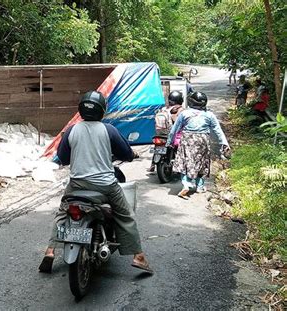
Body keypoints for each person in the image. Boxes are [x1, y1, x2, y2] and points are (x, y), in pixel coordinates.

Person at [38, 91, 153, 274]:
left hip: (77, 184)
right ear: (102, 110)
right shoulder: (109, 130)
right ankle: (138, 257)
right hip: (106, 185)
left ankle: (50, 251)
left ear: (81, 109)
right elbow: (125, 153)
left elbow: (64, 158)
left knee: (62, 213)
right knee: (125, 216)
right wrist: (132, 154)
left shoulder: (71, 130)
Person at [166, 92, 230, 200]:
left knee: (185, 161)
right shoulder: (209, 115)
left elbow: (174, 130)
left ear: (191, 102)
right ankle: (200, 186)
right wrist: (224, 143)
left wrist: (169, 142)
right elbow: (218, 131)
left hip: (188, 139)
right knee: (202, 162)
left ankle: (186, 185)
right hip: (203, 139)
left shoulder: (184, 114)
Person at [147, 90, 184, 173]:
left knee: (158, 147)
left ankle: (152, 165)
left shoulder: (163, 109)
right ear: (180, 100)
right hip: (172, 134)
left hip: (160, 133)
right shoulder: (181, 110)